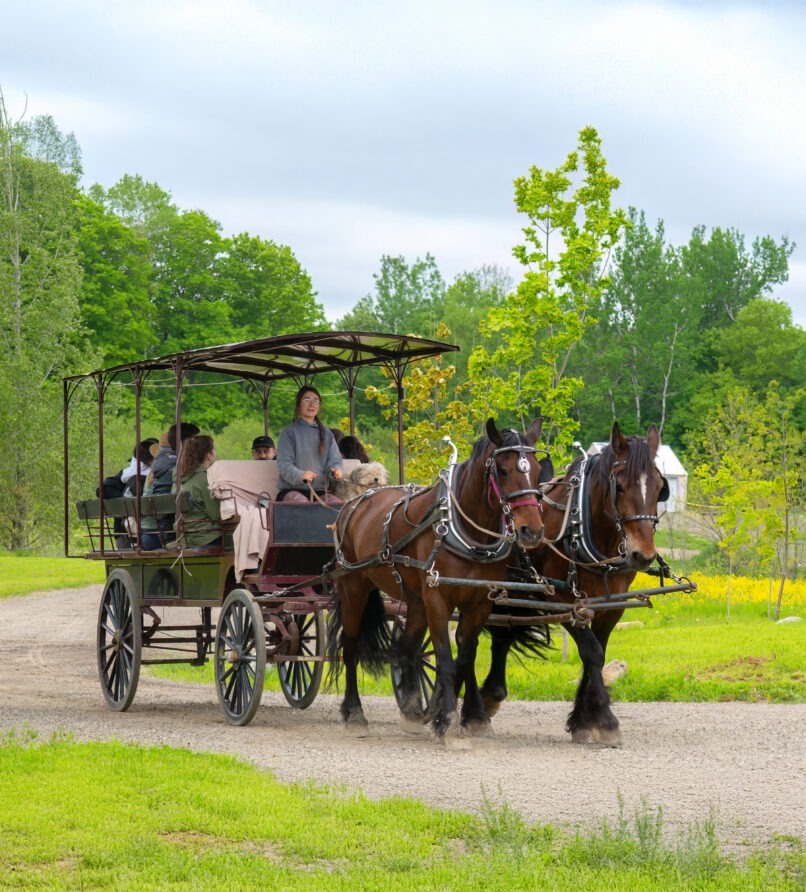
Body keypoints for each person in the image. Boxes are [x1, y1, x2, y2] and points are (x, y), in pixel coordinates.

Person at [276, 386, 343, 505]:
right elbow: (284, 465)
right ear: (298, 405)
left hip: (321, 492)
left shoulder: (327, 434)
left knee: (337, 504)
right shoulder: (289, 432)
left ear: (319, 406)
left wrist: (336, 472)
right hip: (291, 490)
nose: (311, 404)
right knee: (303, 504)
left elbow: (334, 462)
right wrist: (301, 475)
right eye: (306, 400)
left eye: (316, 401)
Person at [172, 434, 223, 547]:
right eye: (214, 449)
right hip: (207, 538)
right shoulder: (205, 479)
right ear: (209, 455)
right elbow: (217, 515)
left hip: (185, 538)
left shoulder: (180, 479)